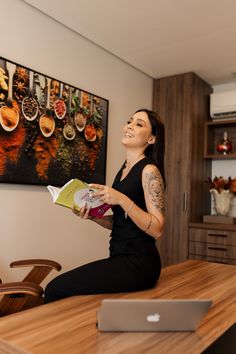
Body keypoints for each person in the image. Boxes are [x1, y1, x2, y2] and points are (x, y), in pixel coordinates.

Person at [44, 109, 165, 303]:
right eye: (130, 121)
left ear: (151, 139)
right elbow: (121, 223)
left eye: (139, 124)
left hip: (140, 264)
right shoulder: (123, 170)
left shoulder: (149, 170)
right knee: (62, 291)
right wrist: (94, 217)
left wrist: (121, 199)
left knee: (54, 289)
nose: (130, 126)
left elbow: (158, 228)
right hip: (118, 257)